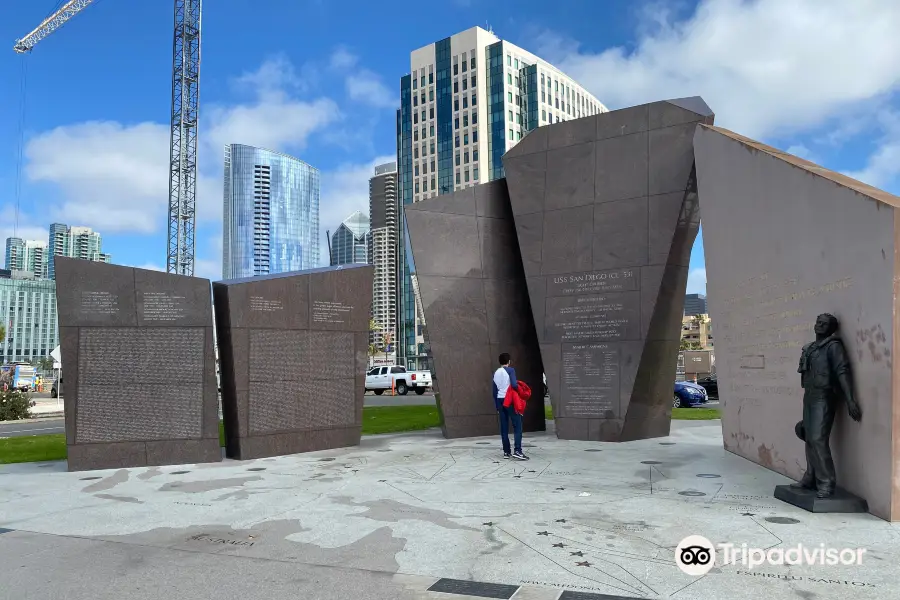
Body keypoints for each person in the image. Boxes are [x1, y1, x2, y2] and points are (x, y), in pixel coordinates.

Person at [493, 353, 528, 460]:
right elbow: (513, 384)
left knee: (504, 428)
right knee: (517, 425)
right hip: (509, 400)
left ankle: (506, 452)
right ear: (509, 361)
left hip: (500, 400)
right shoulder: (510, 370)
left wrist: (497, 406)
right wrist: (520, 389)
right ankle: (518, 450)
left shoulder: (496, 373)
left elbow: (494, 391)